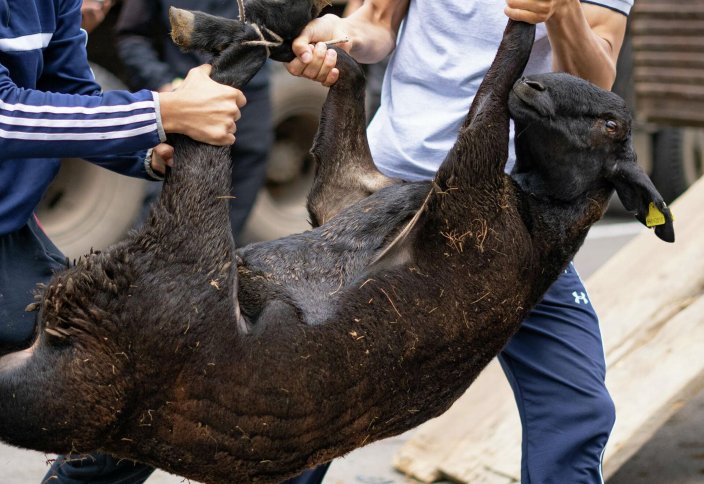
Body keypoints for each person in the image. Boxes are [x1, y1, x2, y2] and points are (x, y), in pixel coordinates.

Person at [287, 0, 630, 481]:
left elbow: (593, 88)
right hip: (394, 194)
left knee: (576, 409)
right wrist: (341, 36)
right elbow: (376, 22)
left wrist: (563, 11)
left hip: (513, 211)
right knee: (318, 391)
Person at [0, 0, 246, 481]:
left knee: (139, 390)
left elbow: (70, 90)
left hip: (11, 236)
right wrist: (164, 109)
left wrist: (152, 152)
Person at [115, 0, 273, 237]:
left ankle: (222, 266)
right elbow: (132, 37)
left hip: (250, 97)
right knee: (165, 204)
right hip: (186, 101)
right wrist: (163, 83)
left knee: (239, 199)